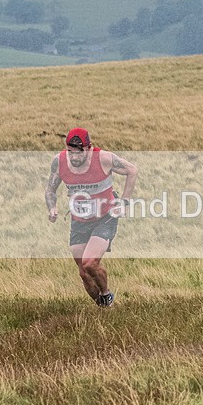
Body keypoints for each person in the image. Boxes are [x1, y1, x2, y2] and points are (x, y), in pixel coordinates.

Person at [45, 128, 138, 307]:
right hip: (79, 219)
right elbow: (50, 190)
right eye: (70, 152)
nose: (74, 157)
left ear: (89, 148)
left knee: (89, 263)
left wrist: (124, 202)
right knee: (83, 272)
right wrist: (52, 207)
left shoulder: (104, 158)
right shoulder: (59, 161)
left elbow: (132, 170)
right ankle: (103, 308)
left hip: (105, 216)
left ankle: (106, 295)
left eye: (79, 152)